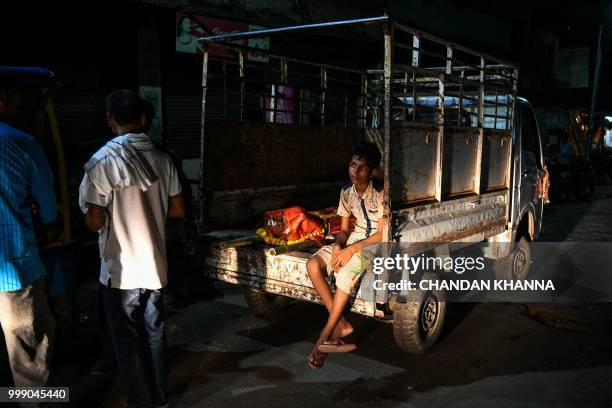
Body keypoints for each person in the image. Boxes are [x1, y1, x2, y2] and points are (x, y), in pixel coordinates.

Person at [79, 89, 185, 407]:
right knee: (154, 333)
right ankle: (160, 397)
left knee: (127, 340)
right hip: (154, 266)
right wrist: (149, 212)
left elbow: (95, 222)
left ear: (110, 120)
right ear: (142, 119)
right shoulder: (163, 159)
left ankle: (141, 402)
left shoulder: (101, 162)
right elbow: (178, 211)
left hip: (120, 271)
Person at [306, 142, 386, 369]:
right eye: (352, 165)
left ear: (372, 172)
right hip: (353, 239)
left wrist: (351, 251)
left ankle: (323, 337)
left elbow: (381, 234)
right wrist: (339, 246)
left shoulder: (382, 193)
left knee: (344, 276)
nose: (355, 171)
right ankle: (340, 323)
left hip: (374, 245)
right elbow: (343, 230)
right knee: (314, 265)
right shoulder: (346, 192)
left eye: (362, 167)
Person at [0, 82, 57, 386]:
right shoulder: (21, 143)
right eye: (16, 102)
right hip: (13, 268)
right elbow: (48, 210)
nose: (18, 109)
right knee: (30, 352)